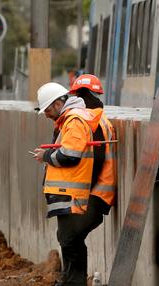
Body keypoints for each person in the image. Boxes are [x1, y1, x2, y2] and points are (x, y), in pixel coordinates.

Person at [31, 82, 104, 286]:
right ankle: (70, 281)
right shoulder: (70, 120)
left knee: (70, 240)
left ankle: (74, 282)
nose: (46, 115)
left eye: (47, 109)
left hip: (72, 193)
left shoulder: (74, 120)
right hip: (69, 193)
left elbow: (71, 155)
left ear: (57, 103)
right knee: (68, 239)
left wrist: (46, 156)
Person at [68, 74, 117, 215]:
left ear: (80, 95)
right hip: (99, 193)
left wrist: (85, 191)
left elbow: (98, 158)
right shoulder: (99, 117)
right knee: (69, 235)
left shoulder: (89, 119)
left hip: (95, 194)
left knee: (68, 235)